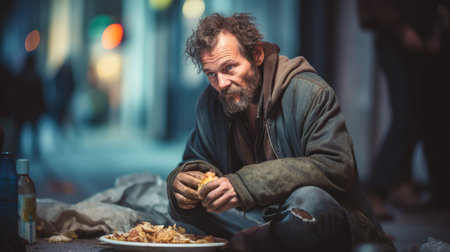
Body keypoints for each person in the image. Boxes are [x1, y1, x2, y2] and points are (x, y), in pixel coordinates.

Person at [166, 13, 395, 251]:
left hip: (314, 218)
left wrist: (246, 184)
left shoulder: (310, 92)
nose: (221, 83)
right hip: (256, 220)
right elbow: (195, 161)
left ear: (256, 55)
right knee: (184, 207)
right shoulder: (209, 103)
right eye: (211, 74)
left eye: (230, 67)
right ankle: (260, 240)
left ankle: (251, 242)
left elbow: (336, 166)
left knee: (309, 202)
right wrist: (183, 182)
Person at [357, 0, 450, 218]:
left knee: (436, 119)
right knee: (407, 118)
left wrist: (439, 28)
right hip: (398, 36)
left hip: (432, 36)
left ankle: (430, 194)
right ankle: (374, 191)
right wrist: (399, 28)